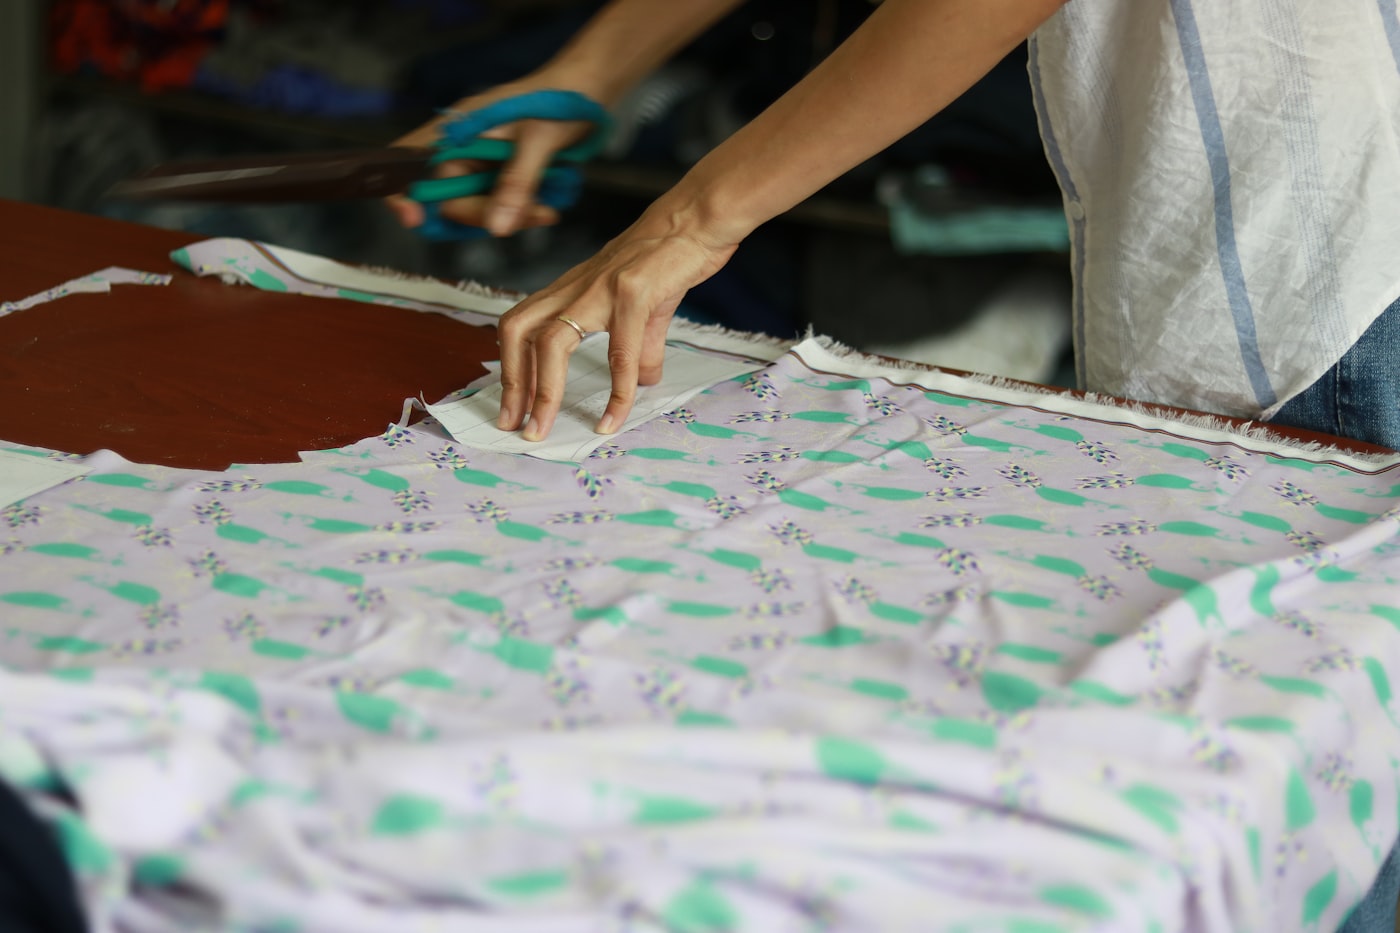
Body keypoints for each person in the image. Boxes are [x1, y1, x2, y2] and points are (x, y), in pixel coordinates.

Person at [388, 1, 1400, 925]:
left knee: (1288, 790)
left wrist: (691, 219)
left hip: (1327, 280)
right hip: (1257, 241)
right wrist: (593, 69)